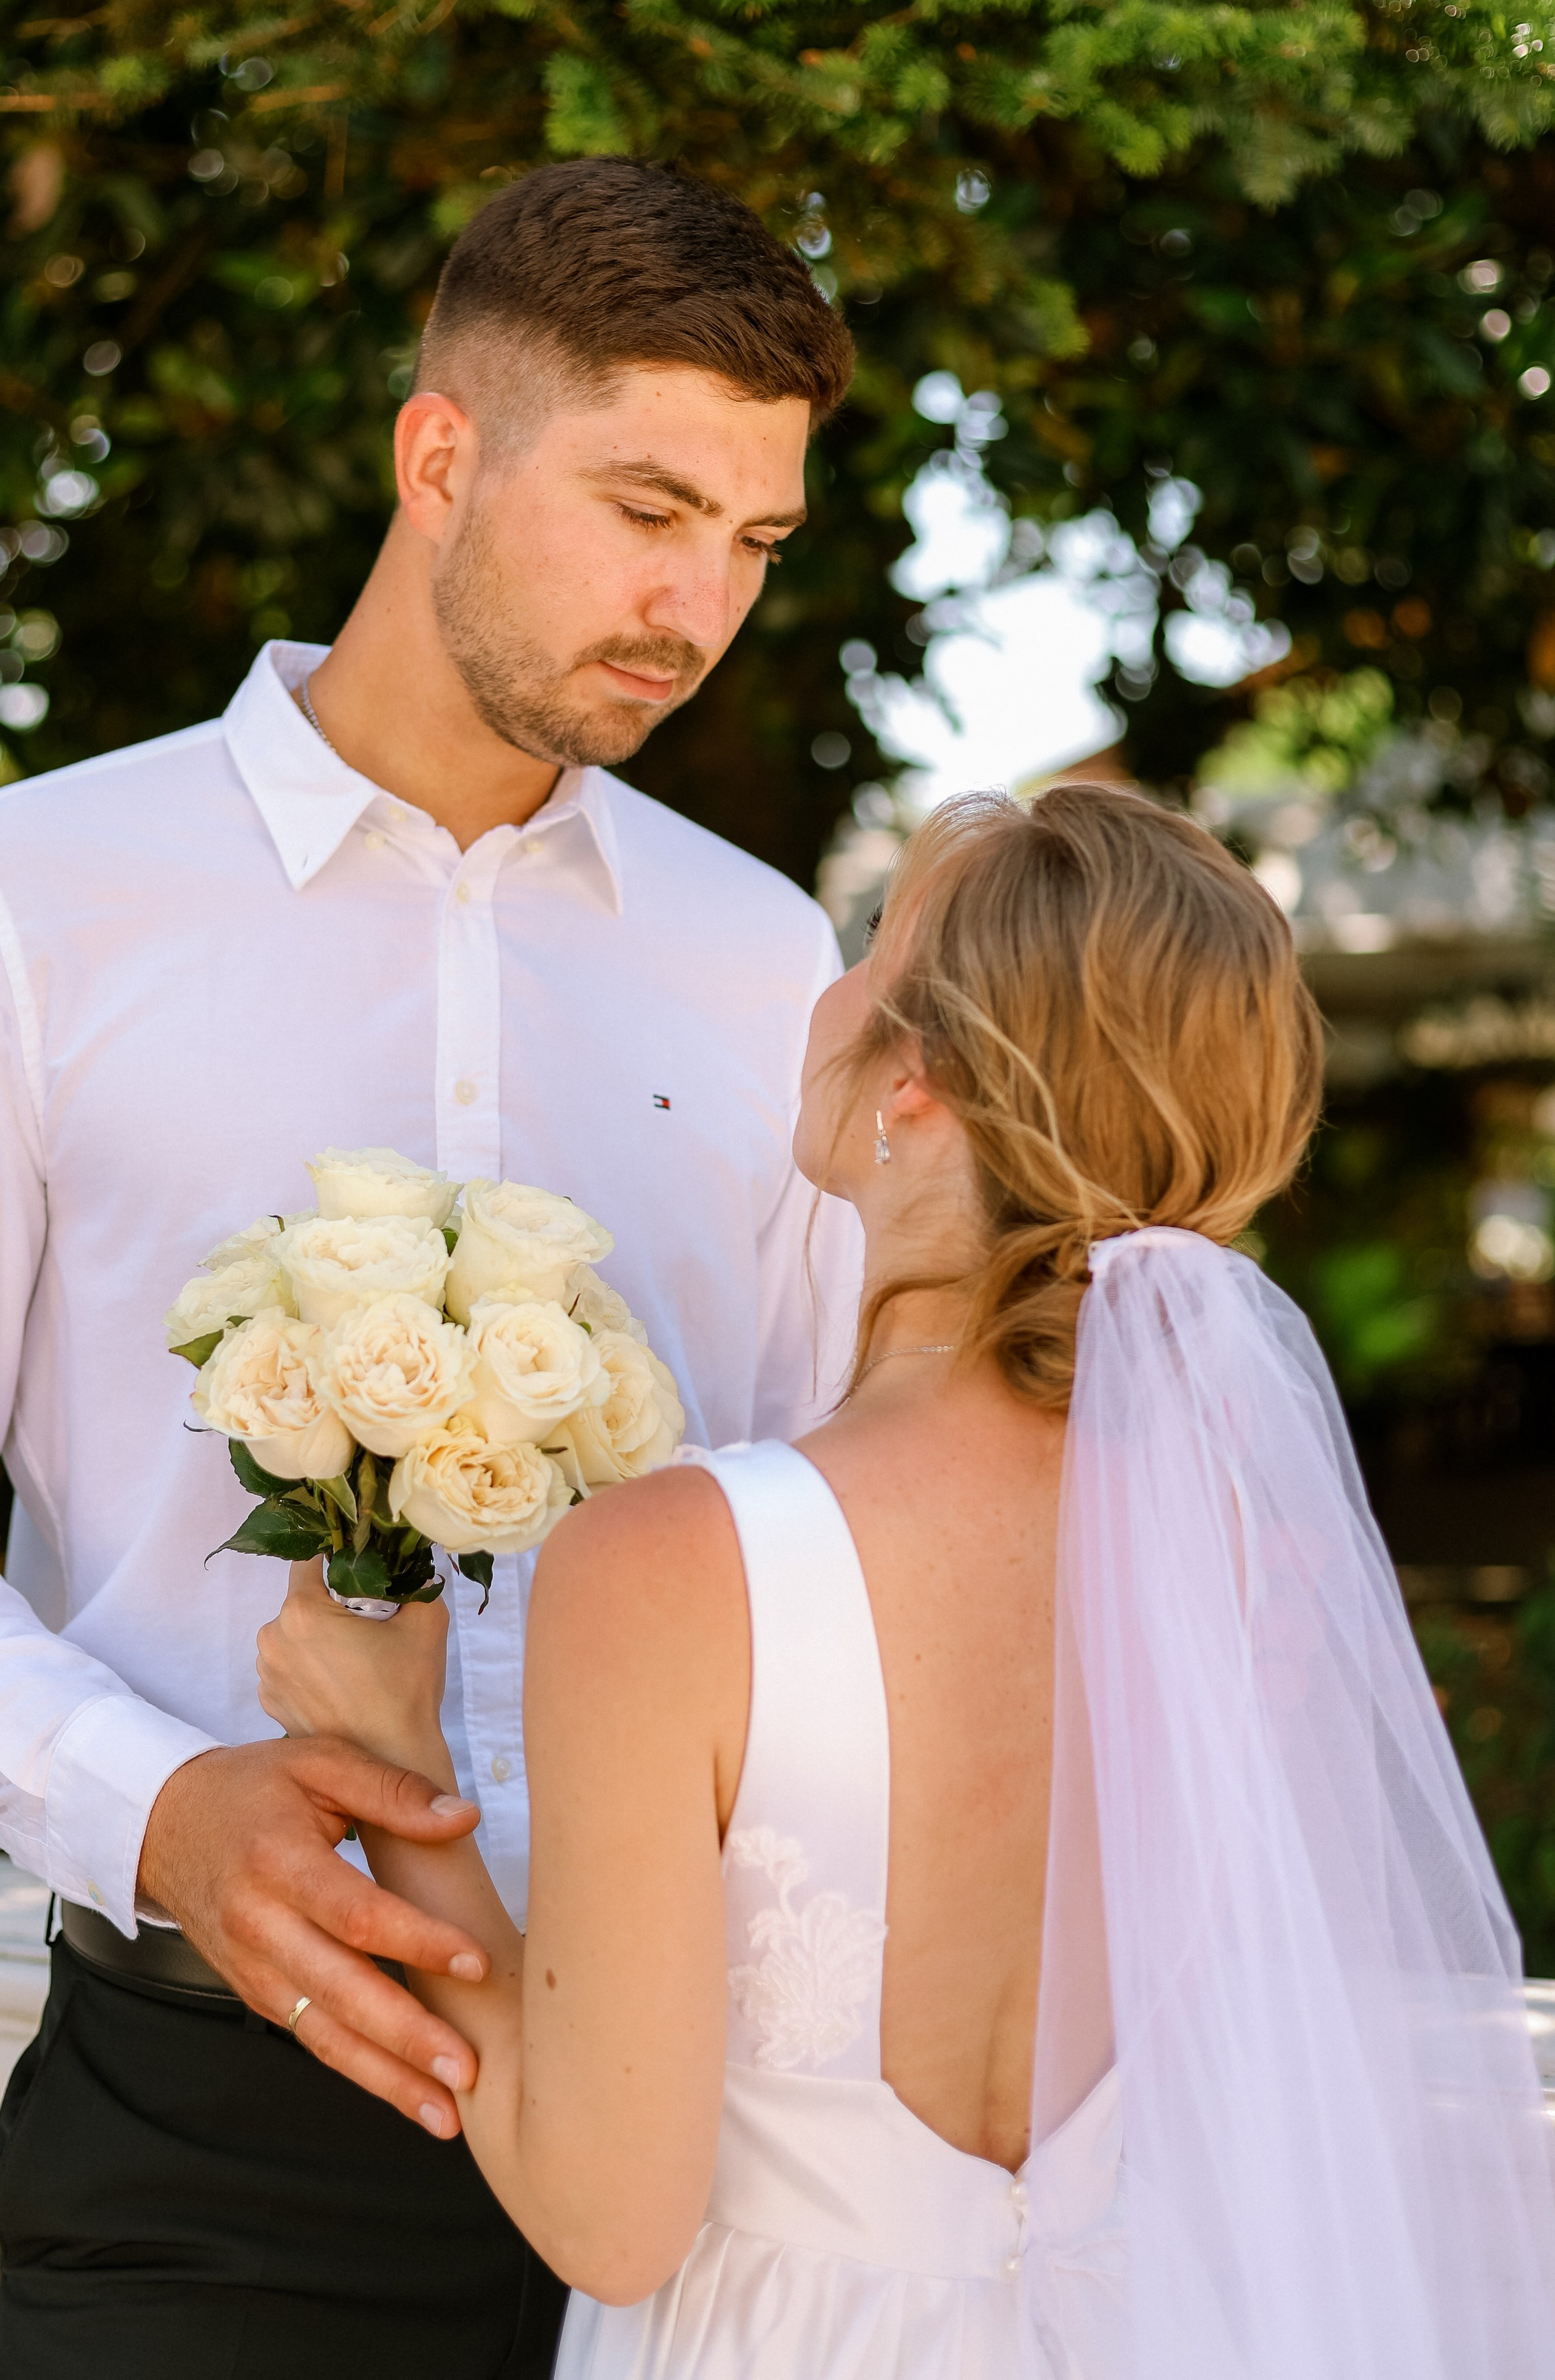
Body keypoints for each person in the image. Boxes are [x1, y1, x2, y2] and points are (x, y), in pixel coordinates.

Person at [0, 157, 862, 2379]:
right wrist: (158, 1811)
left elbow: (821, 1526)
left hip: (683, 2131)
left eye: (752, 543)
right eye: (647, 506)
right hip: (204, 2134)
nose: (698, 603)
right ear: (439, 454)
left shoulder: (766, 961)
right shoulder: (29, 898)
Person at [257, 782, 1555, 2379]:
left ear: (917, 1081)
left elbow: (610, 2219)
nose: (832, 994)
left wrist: (396, 1764)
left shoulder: (677, 1565)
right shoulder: (1224, 1548)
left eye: (874, 948)